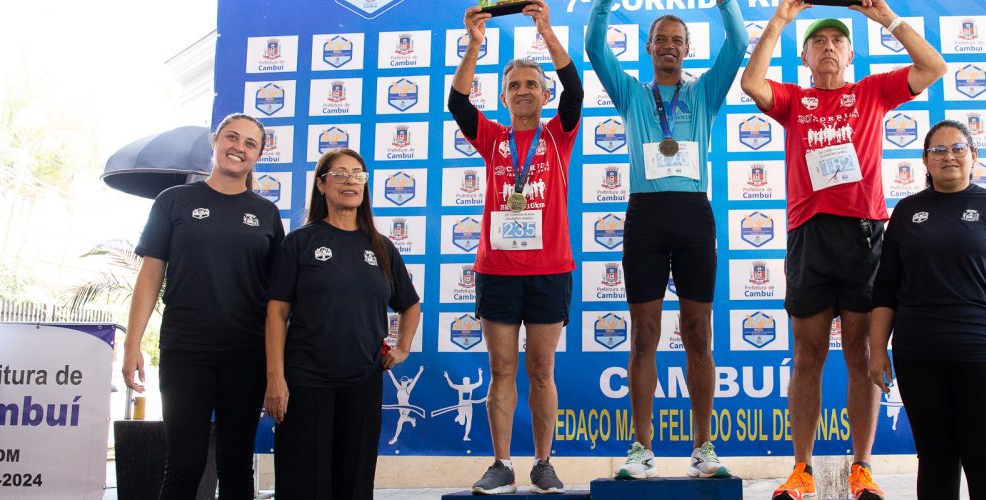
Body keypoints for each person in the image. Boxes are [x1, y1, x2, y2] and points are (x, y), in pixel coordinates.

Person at [739, 1, 946, 498]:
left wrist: (887, 18)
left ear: (851, 55)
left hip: (863, 237)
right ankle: (802, 469)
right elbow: (751, 83)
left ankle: (862, 468)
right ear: (805, 59)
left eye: (837, 42)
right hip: (809, 237)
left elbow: (933, 67)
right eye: (818, 42)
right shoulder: (793, 100)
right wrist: (780, 20)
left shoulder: (871, 91)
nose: (828, 47)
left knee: (862, 354)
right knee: (807, 356)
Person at [586, 0, 748, 480]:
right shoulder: (632, 94)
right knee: (644, 336)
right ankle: (641, 449)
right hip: (646, 218)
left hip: (694, 215)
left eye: (678, 40)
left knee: (699, 333)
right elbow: (594, 46)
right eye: (661, 39)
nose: (670, 46)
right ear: (649, 47)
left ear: (687, 48)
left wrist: (725, 3)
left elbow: (738, 43)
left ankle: (703, 448)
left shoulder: (704, 94)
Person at [866, 120, 986, 500]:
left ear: (974, 156)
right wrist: (877, 349)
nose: (949, 157)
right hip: (919, 356)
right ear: (925, 161)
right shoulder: (907, 212)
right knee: (935, 460)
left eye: (958, 148)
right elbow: (885, 287)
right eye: (939, 150)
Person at [448, 0, 581, 495]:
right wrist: (475, 45)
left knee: (541, 369)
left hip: (549, 269)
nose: (523, 90)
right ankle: (502, 463)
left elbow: (576, 89)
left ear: (544, 94)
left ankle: (543, 463)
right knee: (500, 369)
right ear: (503, 96)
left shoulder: (559, 134)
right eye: (514, 85)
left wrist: (546, 31)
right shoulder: (492, 138)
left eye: (531, 84)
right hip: (497, 270)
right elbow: (458, 104)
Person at [125, 112, 282, 499]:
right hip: (185, 350)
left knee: (236, 465)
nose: (239, 147)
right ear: (215, 141)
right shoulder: (174, 201)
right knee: (184, 464)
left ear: (258, 156)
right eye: (232, 137)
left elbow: (277, 299)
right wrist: (132, 344)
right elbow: (150, 275)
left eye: (250, 144)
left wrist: (276, 366)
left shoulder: (266, 213)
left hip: (246, 354)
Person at [263, 148, 422, 500]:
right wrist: (275, 377)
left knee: (354, 484)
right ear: (321, 185)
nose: (350, 180)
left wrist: (402, 348)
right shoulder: (300, 242)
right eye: (339, 174)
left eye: (358, 174)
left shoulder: (381, 247)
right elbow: (276, 313)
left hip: (362, 382)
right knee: (304, 484)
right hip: (306, 381)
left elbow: (410, 305)